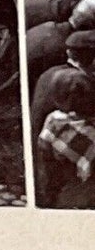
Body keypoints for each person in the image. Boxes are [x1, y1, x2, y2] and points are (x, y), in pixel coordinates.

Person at [32, 29, 95, 207]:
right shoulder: (78, 83)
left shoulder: (53, 73)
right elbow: (83, 115)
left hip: (45, 153)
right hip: (65, 168)